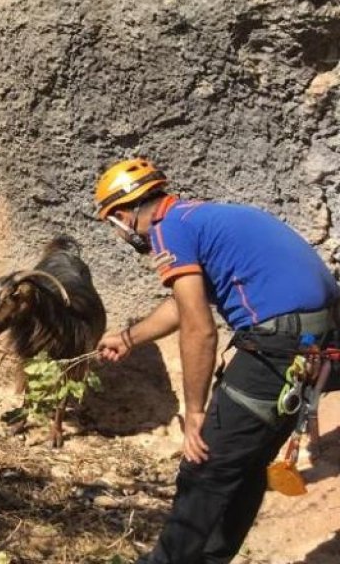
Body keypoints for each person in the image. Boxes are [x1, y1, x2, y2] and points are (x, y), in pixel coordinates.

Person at [92, 158, 340, 564]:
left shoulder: (167, 229)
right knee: (246, 464)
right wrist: (128, 338)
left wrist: (194, 411)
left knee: (204, 464)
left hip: (278, 348)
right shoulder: (201, 218)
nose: (119, 234)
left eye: (113, 224)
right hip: (316, 344)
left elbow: (198, 328)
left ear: (122, 214)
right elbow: (181, 305)